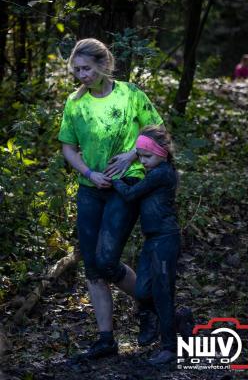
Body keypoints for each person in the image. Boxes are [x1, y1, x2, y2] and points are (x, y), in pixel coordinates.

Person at [58, 38, 164, 359]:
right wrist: (90, 174)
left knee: (106, 260)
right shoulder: (75, 104)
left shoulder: (131, 95)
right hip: (91, 189)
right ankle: (106, 340)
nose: (82, 75)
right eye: (76, 70)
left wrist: (132, 153)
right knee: (92, 266)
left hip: (127, 185)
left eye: (87, 68)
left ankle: (151, 305)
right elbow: (68, 147)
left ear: (103, 65)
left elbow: (156, 129)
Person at [112, 125, 181, 365]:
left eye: (147, 156)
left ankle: (170, 348)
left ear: (162, 153)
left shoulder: (162, 173)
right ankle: (178, 320)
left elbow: (131, 195)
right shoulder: (153, 170)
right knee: (142, 290)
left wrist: (115, 179)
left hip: (166, 239)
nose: (143, 161)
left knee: (163, 292)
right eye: (140, 156)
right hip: (152, 239)